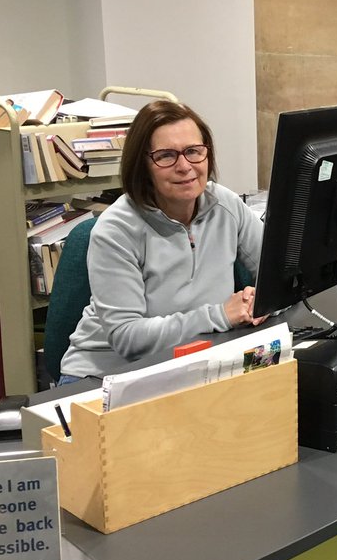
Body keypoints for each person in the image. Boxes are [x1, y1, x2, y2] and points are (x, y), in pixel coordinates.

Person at [60, 100, 265, 380]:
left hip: (196, 361)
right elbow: (128, 338)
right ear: (142, 165)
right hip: (107, 375)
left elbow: (280, 273)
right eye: (166, 156)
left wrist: (260, 301)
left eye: (194, 151)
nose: (185, 166)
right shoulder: (116, 230)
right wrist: (220, 315)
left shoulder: (225, 205)